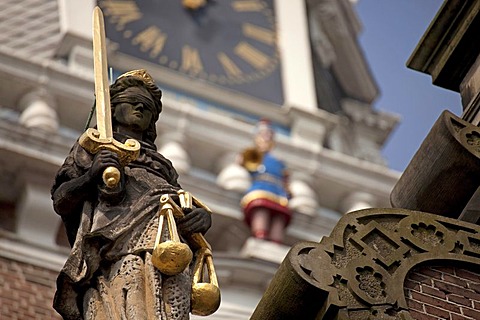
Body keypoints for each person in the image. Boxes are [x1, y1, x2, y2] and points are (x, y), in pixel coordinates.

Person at [51, 69, 211, 320]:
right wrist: (91, 176)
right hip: (118, 246)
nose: (139, 107)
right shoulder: (93, 147)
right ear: (111, 109)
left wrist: (199, 219)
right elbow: (61, 199)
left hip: (167, 245)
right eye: (132, 101)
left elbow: (180, 203)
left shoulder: (163, 165)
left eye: (147, 106)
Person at [239, 120, 292, 244]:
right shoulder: (253, 155)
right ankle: (260, 234)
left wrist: (288, 189)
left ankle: (275, 241)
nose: (266, 137)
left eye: (269, 135)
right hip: (262, 187)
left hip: (278, 191)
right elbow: (242, 163)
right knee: (261, 209)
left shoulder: (278, 161)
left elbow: (285, 178)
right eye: (263, 134)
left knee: (279, 215)